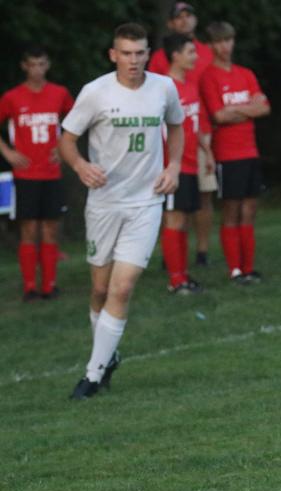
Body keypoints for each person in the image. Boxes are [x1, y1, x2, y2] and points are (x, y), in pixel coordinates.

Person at [59, 23, 184, 399]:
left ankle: (93, 374)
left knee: (122, 287)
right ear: (113, 55)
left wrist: (174, 166)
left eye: (140, 52)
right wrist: (81, 166)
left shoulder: (163, 87)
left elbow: (176, 126)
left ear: (149, 54)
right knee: (99, 288)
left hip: (146, 202)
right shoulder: (95, 92)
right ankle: (108, 356)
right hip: (104, 203)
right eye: (127, 53)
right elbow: (67, 140)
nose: (134, 60)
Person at [0, 46, 74, 301]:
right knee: (29, 229)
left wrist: (63, 146)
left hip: (51, 172)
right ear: (24, 66)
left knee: (51, 229)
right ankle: (30, 286)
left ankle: (49, 285)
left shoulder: (59, 93)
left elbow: (77, 119)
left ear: (48, 65)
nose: (37, 70)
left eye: (42, 64)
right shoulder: (12, 97)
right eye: (32, 64)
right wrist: (8, 153)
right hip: (25, 175)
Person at [148, 1, 217, 266]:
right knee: (175, 209)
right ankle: (174, 263)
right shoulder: (163, 69)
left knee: (200, 198)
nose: (185, 20)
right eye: (180, 16)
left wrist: (207, 147)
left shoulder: (205, 54)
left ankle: (198, 252)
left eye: (190, 15)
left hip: (200, 134)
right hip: (173, 148)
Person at [200, 21, 269, 283]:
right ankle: (235, 270)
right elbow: (218, 114)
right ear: (211, 46)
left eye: (228, 40)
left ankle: (249, 267)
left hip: (250, 151)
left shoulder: (245, 73)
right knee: (231, 209)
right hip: (227, 154)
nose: (225, 46)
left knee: (249, 209)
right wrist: (247, 109)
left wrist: (236, 112)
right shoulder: (209, 76)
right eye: (219, 41)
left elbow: (264, 108)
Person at [161, 33, 213, 294]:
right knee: (174, 220)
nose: (196, 57)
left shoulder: (190, 84)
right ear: (175, 55)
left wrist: (207, 152)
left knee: (183, 222)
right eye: (191, 52)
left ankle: (183, 275)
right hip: (172, 166)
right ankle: (175, 280)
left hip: (192, 162)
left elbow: (196, 124)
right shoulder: (163, 87)